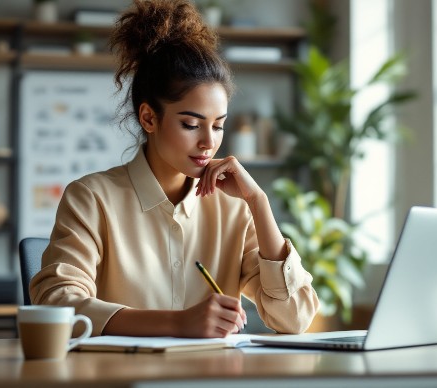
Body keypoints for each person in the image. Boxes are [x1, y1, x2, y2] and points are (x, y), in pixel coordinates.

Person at [29, 0, 319, 338]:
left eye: (219, 125)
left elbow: (295, 319)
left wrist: (258, 202)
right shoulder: (92, 198)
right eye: (191, 125)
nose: (208, 142)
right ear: (149, 118)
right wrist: (177, 323)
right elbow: (58, 304)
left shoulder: (235, 209)